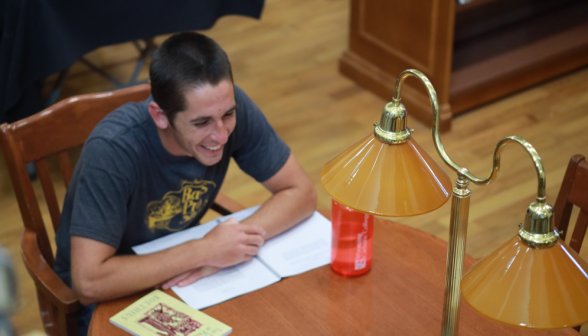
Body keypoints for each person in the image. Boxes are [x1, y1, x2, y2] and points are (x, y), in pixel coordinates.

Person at [53, 31, 317, 335]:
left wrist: (227, 247)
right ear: (160, 116)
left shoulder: (224, 108)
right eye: (201, 123)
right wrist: (203, 251)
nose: (221, 135)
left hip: (184, 272)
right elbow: (89, 283)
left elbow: (301, 192)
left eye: (228, 114)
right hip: (111, 296)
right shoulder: (112, 150)